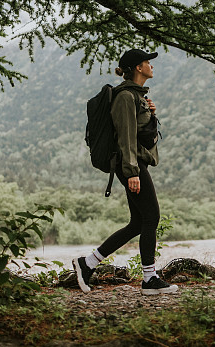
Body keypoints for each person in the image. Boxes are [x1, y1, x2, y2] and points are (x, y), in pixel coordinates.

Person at [73, 48, 178, 296]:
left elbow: (142, 133)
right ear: (137, 68)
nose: (151, 65)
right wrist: (132, 172)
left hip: (133, 163)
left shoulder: (136, 96)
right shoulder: (124, 97)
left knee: (139, 222)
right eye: (147, 62)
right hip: (129, 164)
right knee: (152, 216)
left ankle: (87, 263)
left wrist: (151, 113)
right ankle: (149, 279)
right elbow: (126, 137)